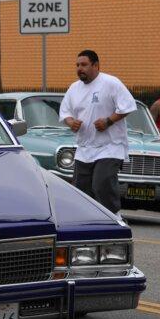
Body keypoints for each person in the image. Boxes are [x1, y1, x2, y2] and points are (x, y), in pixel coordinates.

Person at [59, 50, 137, 217]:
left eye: (84, 64)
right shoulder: (74, 88)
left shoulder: (111, 83)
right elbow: (65, 113)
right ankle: (89, 222)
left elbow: (128, 106)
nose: (80, 68)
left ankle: (115, 217)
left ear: (96, 65)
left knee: (102, 183)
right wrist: (71, 123)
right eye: (77, 65)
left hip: (110, 146)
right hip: (85, 148)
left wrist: (108, 121)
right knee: (81, 191)